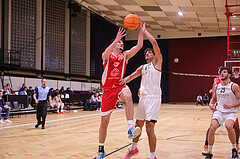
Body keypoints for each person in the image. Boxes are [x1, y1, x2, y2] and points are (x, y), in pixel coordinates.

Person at [96, 24, 144, 159]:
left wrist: (141, 31)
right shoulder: (108, 56)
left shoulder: (125, 55)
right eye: (119, 42)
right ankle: (101, 150)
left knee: (128, 95)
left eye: (122, 42)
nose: (121, 43)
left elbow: (139, 46)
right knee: (104, 122)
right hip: (107, 91)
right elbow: (103, 54)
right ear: (114, 44)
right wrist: (116, 39)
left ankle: (130, 128)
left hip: (118, 87)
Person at [119, 23, 162, 159]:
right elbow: (131, 76)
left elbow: (154, 42)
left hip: (154, 98)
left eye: (150, 52)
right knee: (138, 125)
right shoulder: (143, 67)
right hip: (143, 98)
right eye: (146, 53)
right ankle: (133, 148)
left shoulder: (157, 63)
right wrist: (123, 80)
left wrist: (144, 32)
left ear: (154, 55)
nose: (148, 53)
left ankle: (152, 155)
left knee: (150, 128)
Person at [205, 67, 240, 159]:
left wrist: (232, 106)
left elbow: (239, 99)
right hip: (219, 111)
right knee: (212, 128)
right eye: (221, 72)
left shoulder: (234, 86)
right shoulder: (217, 86)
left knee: (229, 126)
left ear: (229, 75)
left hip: (230, 112)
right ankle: (209, 151)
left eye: (224, 72)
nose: (222, 74)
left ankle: (234, 149)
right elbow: (214, 98)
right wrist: (210, 104)